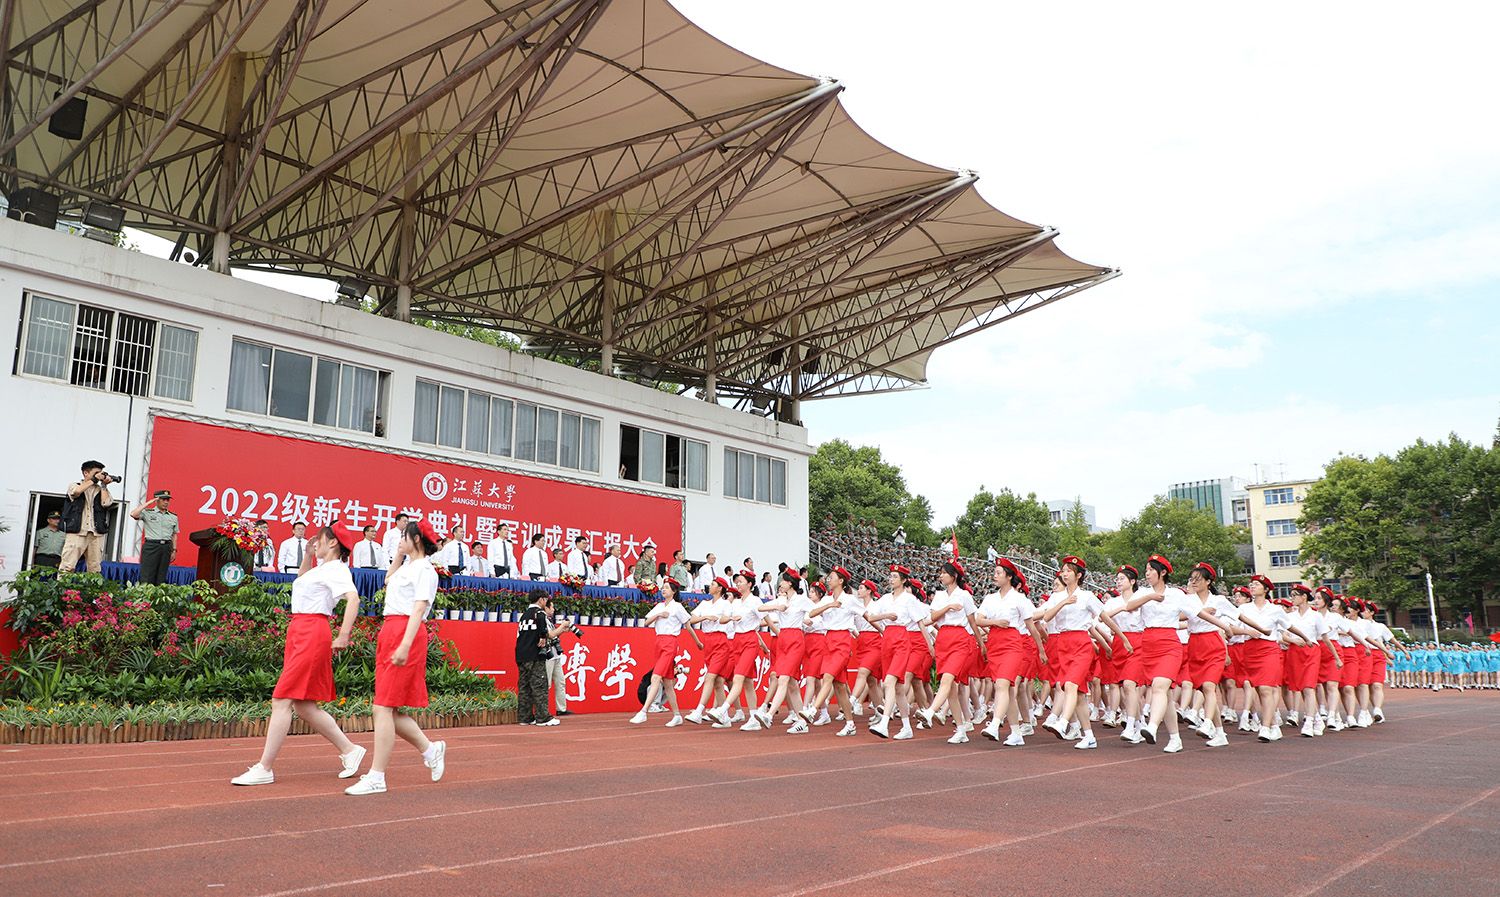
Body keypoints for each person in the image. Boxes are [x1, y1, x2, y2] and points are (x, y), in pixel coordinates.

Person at [231, 523, 366, 787]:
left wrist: (344, 635)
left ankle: (265, 767)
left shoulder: (337, 569)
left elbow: (354, 599)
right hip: (300, 629)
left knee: (281, 699)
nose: (315, 542)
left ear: (333, 543)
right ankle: (350, 750)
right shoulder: (321, 568)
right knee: (304, 706)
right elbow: (302, 579)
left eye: (320, 539)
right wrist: (307, 555)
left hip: (312, 631)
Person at [344, 519, 448, 795]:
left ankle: (377, 776)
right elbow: (388, 580)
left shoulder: (425, 570)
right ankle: (431, 750)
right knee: (389, 708)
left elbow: (419, 609)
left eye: (404, 536)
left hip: (405, 632)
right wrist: (399, 555)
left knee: (382, 707)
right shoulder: (407, 566)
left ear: (416, 539)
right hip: (391, 630)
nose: (399, 540)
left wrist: (405, 644)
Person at [633, 577, 692, 726]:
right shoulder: (659, 606)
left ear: (674, 591)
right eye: (663, 587)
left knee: (655, 677)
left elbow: (688, 624)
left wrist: (698, 642)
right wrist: (659, 615)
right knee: (668, 683)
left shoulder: (677, 607)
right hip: (659, 643)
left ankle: (644, 711)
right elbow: (646, 622)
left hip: (670, 643)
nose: (663, 589)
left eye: (666, 587)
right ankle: (677, 715)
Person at [516, 590, 568, 726]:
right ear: (541, 600)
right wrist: (544, 636)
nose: (546, 602)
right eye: (545, 599)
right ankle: (543, 718)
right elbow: (547, 633)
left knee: (524, 687)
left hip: (521, 655)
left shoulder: (524, 615)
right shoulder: (539, 613)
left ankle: (525, 717)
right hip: (534, 655)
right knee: (540, 686)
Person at [59, 460, 114, 573]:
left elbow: (106, 503)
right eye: (96, 473)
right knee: (68, 566)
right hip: (77, 532)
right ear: (86, 473)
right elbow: (76, 492)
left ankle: (92, 586)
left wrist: (104, 486)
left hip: (96, 533)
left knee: (95, 568)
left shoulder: (100, 490)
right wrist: (94, 479)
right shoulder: (75, 485)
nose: (100, 475)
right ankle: (62, 585)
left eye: (101, 473)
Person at [131, 489, 179, 585]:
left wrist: (174, 550)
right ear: (157, 500)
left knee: (162, 575)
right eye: (163, 499)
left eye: (168, 500)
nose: (166, 502)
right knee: (147, 575)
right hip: (151, 546)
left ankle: (158, 594)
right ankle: (145, 594)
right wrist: (149, 502)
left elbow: (174, 534)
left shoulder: (173, 517)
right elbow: (133, 514)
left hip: (166, 547)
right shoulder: (148, 512)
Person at [543, 601, 571, 716]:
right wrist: (562, 626)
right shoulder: (542, 619)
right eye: (552, 607)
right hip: (548, 656)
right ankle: (543, 711)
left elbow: (554, 636)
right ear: (546, 608)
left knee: (560, 682)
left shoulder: (549, 620)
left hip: (556, 655)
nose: (553, 610)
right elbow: (550, 635)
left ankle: (561, 709)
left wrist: (563, 630)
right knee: (546, 684)